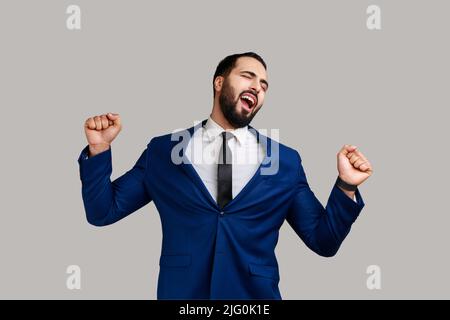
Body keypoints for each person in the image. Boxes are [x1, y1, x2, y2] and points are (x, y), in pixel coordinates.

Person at [78, 52, 373, 299]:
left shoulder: (286, 162)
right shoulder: (162, 151)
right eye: (248, 76)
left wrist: (346, 185)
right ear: (219, 82)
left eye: (265, 85)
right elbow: (103, 211)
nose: (258, 87)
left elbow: (323, 242)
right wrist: (99, 149)